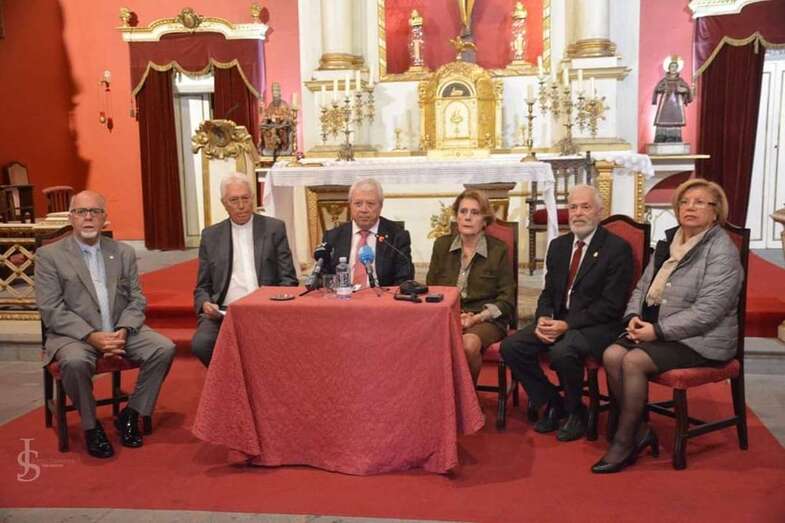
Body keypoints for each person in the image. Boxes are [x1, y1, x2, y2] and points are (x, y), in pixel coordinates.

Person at [592, 179, 742, 473]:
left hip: (702, 339)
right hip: (660, 330)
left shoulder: (721, 250)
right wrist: (632, 316)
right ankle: (639, 430)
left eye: (699, 202)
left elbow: (708, 312)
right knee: (612, 354)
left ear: (716, 212)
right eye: (684, 202)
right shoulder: (670, 242)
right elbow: (642, 287)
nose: (690, 207)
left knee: (633, 361)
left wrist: (657, 331)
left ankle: (624, 442)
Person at [35, 191, 176, 459]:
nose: (88, 217)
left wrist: (123, 329)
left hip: (121, 330)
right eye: (81, 212)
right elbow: (51, 308)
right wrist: (91, 336)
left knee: (163, 348)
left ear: (104, 218)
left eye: (95, 212)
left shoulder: (122, 252)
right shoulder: (49, 256)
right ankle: (91, 427)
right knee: (74, 362)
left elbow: (136, 299)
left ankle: (131, 414)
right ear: (71, 217)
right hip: (74, 335)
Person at [501, 185, 633, 442]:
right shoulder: (559, 246)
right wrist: (543, 317)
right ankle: (553, 402)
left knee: (562, 351)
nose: (578, 213)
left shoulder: (617, 249)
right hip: (560, 321)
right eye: (573, 207)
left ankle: (576, 412)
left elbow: (612, 305)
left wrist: (566, 325)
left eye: (585, 207)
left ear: (600, 211)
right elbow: (548, 292)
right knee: (512, 346)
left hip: (598, 326)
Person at [192, 173, 297, 367]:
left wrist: (274, 305)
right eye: (234, 200)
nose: (241, 206)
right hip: (224, 312)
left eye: (245, 198)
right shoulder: (211, 236)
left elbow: (288, 279)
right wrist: (205, 303)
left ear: (253, 199)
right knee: (202, 344)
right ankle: (229, 380)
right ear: (224, 203)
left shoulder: (274, 228)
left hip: (264, 309)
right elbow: (202, 286)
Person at [426, 190, 515, 384]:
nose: (467, 217)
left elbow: (507, 299)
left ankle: (468, 399)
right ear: (456, 216)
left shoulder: (498, 250)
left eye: (475, 213)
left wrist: (476, 318)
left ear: (484, 220)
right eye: (463, 211)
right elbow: (431, 290)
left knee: (468, 344)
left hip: (486, 320)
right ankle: (437, 396)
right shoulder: (441, 246)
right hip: (448, 316)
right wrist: (454, 315)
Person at [322, 178, 413, 287]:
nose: (364, 210)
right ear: (350, 205)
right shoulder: (333, 236)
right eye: (358, 204)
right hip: (343, 295)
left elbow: (404, 279)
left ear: (381, 206)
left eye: (370, 204)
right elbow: (323, 277)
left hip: (382, 296)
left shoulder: (397, 236)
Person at [652, 56, 693, 143]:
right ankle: (662, 136)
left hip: (677, 105)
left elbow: (687, 89)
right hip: (665, 105)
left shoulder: (680, 81)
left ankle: (674, 137)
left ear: (677, 69)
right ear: (668, 68)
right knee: (662, 120)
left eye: (675, 67)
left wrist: (683, 90)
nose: (673, 69)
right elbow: (657, 89)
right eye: (671, 67)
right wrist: (662, 89)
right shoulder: (664, 80)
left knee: (676, 120)